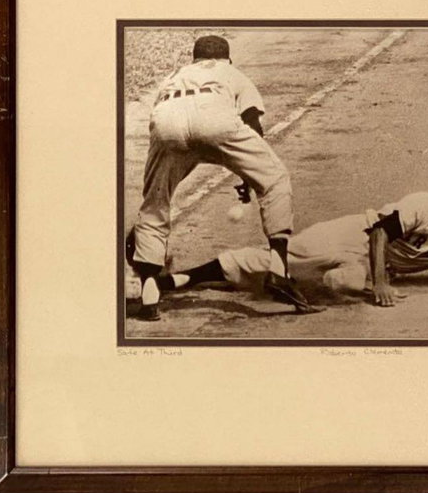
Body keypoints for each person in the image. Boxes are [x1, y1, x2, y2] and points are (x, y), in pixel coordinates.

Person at [128, 35, 315, 321]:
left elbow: (163, 117)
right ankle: (279, 270)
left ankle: (149, 294)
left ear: (194, 59)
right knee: (275, 180)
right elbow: (252, 121)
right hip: (216, 122)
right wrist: (250, 172)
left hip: (167, 128)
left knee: (155, 205)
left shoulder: (173, 76)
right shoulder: (231, 72)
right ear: (227, 59)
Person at [157, 185, 428, 309]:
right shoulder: (426, 205)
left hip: (366, 266)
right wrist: (382, 285)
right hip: (354, 234)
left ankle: (225, 282)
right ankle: (175, 280)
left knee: (334, 282)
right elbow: (381, 234)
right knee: (275, 262)